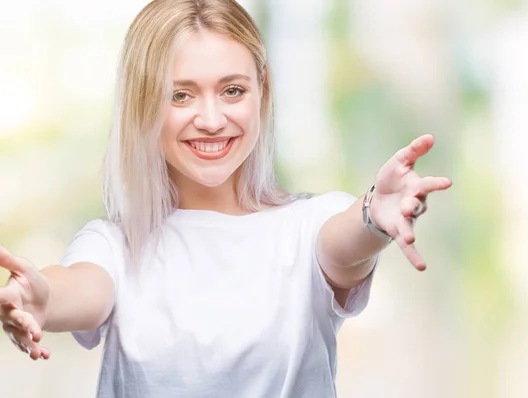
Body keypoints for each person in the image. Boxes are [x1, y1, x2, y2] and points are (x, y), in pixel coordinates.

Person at [0, 0, 451, 396]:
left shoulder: (310, 225)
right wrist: (40, 299)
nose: (212, 120)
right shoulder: (113, 247)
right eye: (180, 95)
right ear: (142, 103)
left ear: (262, 91)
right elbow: (79, 288)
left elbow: (347, 238)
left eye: (232, 90)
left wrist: (374, 213)